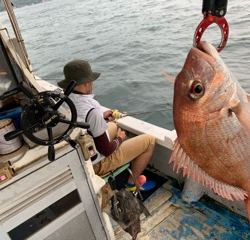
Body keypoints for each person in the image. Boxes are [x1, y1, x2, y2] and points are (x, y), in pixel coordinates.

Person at [57, 59, 156, 192]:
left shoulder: (61, 100)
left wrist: (101, 117)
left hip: (78, 154)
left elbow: (81, 119)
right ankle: (132, 186)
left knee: (113, 126)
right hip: (94, 163)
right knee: (149, 141)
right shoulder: (92, 109)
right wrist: (120, 138)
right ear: (87, 83)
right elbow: (107, 150)